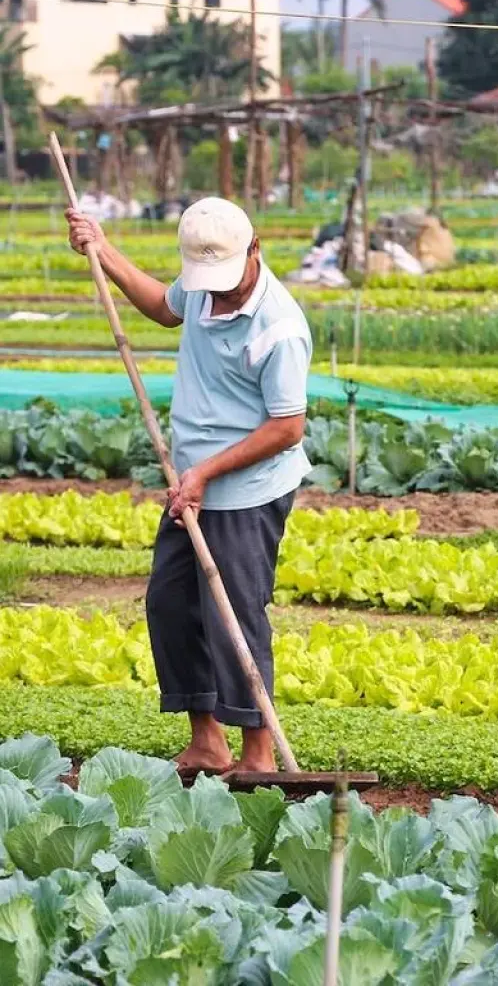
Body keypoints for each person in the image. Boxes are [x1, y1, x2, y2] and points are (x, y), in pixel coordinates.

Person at [65, 197, 312, 776]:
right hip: (192, 483)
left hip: (245, 489)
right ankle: (208, 742)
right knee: (171, 603)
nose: (216, 294)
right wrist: (102, 249)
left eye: (225, 282)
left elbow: (286, 427)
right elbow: (163, 307)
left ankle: (258, 753)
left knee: (236, 615)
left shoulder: (279, 328)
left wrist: (204, 472)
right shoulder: (204, 283)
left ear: (255, 250)